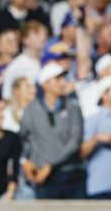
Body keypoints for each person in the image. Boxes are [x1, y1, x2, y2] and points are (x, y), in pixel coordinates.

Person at [20, 62, 85, 199]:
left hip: (71, 175)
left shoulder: (73, 107)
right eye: (57, 79)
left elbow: (75, 141)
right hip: (44, 178)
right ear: (45, 84)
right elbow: (24, 139)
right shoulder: (31, 109)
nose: (63, 83)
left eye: (63, 79)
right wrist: (25, 161)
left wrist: (50, 165)